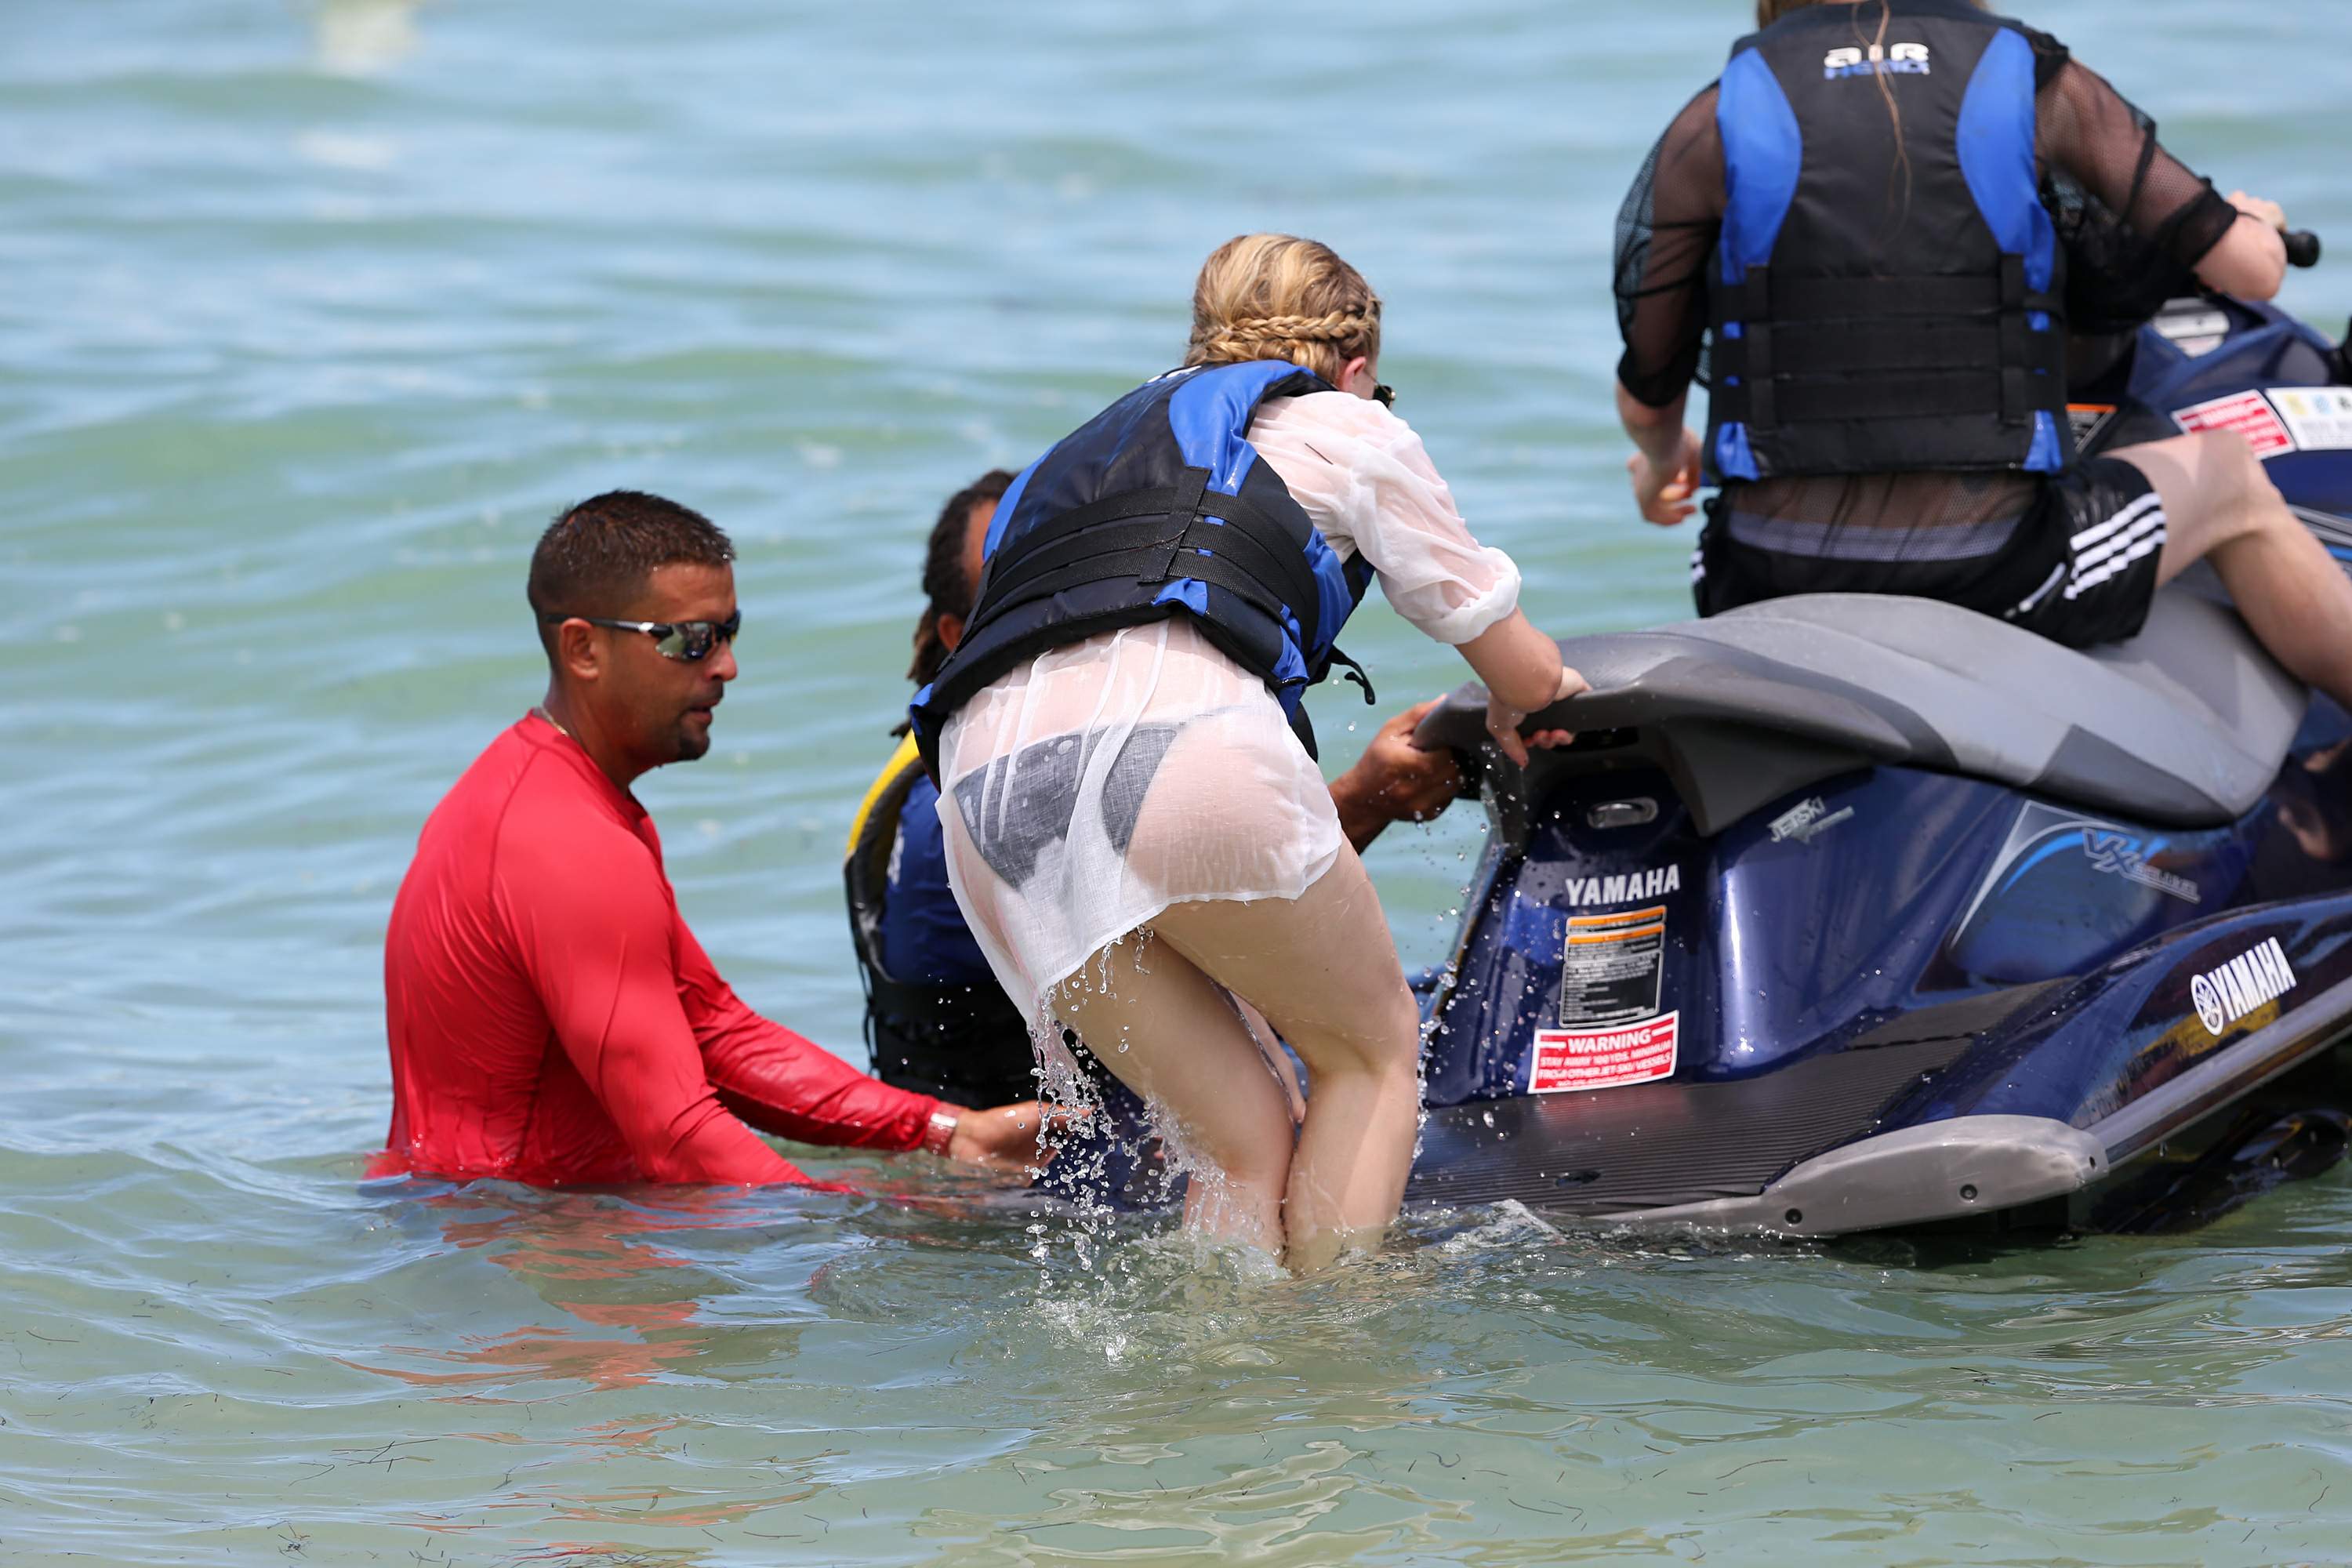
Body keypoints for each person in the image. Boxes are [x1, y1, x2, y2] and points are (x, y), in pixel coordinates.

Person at [906, 234, 1584, 1269]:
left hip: (986, 798)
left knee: (1239, 1136)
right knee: (1371, 1058)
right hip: (1180, 745)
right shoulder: (1345, 422)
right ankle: (1341, 1372)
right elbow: (1525, 669)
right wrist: (1520, 707)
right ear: (1356, 371)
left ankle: (1223, 1390)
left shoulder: (1087, 449)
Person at [1612, 0, 2352, 716]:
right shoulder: (2035, 80)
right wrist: (2255, 224)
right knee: (2231, 480)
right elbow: (2253, 272)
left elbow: (1648, 391)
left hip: (1755, 582)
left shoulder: (1715, 116)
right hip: (1990, 573)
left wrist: (1664, 458)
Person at [373, 490, 1049, 1188]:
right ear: (583, 648)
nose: (725, 666)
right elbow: (677, 1136)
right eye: (690, 640)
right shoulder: (566, 841)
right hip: (516, 1245)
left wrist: (944, 1131)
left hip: (480, 1230)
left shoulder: (555, 795)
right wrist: (856, 1223)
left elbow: (714, 1030)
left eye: (729, 631)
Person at [850, 470, 1471, 1108]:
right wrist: (1373, 796)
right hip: (1021, 1172)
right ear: (959, 636)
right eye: (1028, 597)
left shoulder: (962, 761)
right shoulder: (973, 807)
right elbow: (1201, 913)